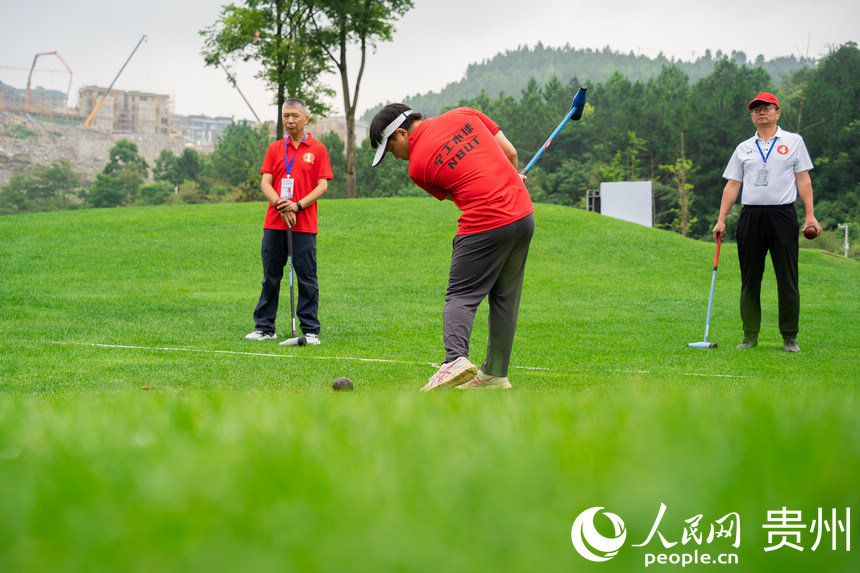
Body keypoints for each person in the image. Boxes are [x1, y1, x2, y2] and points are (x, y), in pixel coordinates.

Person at [370, 103, 534, 390]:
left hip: (485, 221)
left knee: (461, 295)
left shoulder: (417, 168)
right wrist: (510, 178)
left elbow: (458, 193)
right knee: (505, 300)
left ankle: (454, 359)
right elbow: (510, 153)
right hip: (522, 214)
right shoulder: (465, 113)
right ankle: (495, 374)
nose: (394, 157)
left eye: (390, 149)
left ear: (401, 133)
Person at [712, 92, 820, 353]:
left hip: (782, 215)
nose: (761, 112)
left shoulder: (793, 142)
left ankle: (789, 337)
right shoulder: (743, 148)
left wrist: (810, 214)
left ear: (777, 112)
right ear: (751, 116)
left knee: (787, 278)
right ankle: (750, 336)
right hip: (751, 216)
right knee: (750, 278)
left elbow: (803, 179)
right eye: (756, 109)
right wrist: (721, 219)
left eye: (766, 108)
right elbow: (732, 185)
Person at [245, 98, 333, 345]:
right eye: (285, 116)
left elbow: (322, 186)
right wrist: (280, 205)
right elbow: (265, 183)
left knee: (307, 278)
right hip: (274, 222)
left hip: (303, 223)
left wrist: (297, 205)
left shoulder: (318, 149)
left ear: (306, 119)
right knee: (271, 276)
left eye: (295, 116)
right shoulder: (275, 148)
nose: (290, 120)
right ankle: (265, 327)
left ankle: (311, 330)